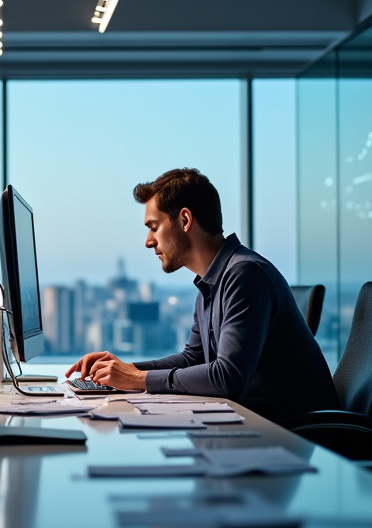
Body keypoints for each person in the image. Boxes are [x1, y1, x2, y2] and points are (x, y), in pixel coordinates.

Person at [65, 168, 339, 423]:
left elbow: (227, 378)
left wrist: (138, 378)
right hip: (260, 428)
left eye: (153, 226)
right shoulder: (212, 282)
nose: (148, 241)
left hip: (301, 440)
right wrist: (124, 369)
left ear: (184, 220)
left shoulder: (245, 275)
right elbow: (193, 359)